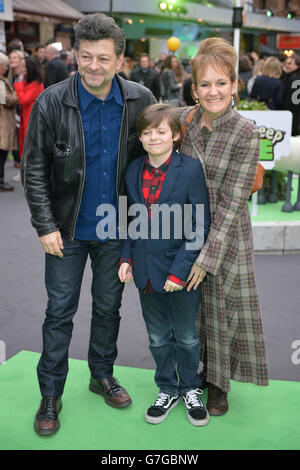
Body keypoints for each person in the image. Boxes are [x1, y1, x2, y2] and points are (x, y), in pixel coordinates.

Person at [21, 13, 156, 436]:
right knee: (59, 312)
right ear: (75, 55)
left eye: (103, 58)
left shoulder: (140, 99)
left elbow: (156, 157)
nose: (93, 66)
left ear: (120, 60)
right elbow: (34, 168)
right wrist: (45, 225)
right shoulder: (51, 101)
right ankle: (51, 392)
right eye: (85, 57)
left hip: (117, 229)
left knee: (108, 308)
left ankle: (101, 374)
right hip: (65, 229)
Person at [177, 37, 269, 416]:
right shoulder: (184, 121)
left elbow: (233, 202)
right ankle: (194, 372)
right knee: (190, 309)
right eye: (204, 84)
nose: (212, 91)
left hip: (226, 235)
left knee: (220, 309)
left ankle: (218, 384)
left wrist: (206, 256)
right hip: (185, 231)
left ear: (234, 85)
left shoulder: (245, 132)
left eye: (221, 83)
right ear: (194, 89)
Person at [118, 103, 210, 426]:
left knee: (186, 335)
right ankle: (167, 388)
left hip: (181, 273)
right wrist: (127, 257)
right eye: (147, 132)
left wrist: (179, 271)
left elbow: (199, 225)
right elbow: (130, 219)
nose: (153, 137)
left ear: (175, 135)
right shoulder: (132, 171)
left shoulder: (191, 169)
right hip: (145, 271)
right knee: (157, 336)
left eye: (160, 131)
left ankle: (190, 387)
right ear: (140, 138)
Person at [13, 56, 44, 162]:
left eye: (24, 67)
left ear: (30, 68)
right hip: (27, 117)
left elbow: (23, 100)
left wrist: (19, 84)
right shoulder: (30, 82)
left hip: (31, 119)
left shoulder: (36, 84)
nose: (21, 69)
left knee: (31, 146)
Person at [0, 52, 18, 192]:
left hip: (4, 121)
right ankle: (0, 181)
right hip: (2, 122)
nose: (6, 68)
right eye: (5, 66)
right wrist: (17, 94)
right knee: (2, 153)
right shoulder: (0, 82)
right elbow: (5, 100)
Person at [281, 54, 300, 136]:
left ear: (297, 65)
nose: (286, 66)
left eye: (290, 64)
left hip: (293, 117)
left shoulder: (295, 78)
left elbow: (293, 102)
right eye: (285, 63)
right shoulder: (291, 76)